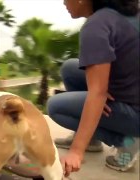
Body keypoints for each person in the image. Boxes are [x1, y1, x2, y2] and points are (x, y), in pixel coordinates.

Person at [46, 0, 139, 177]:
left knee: (55, 107)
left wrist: (76, 152)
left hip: (136, 114)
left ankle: (127, 142)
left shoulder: (97, 25)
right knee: (70, 69)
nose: (64, 2)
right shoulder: (123, 14)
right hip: (133, 92)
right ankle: (92, 141)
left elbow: (97, 94)